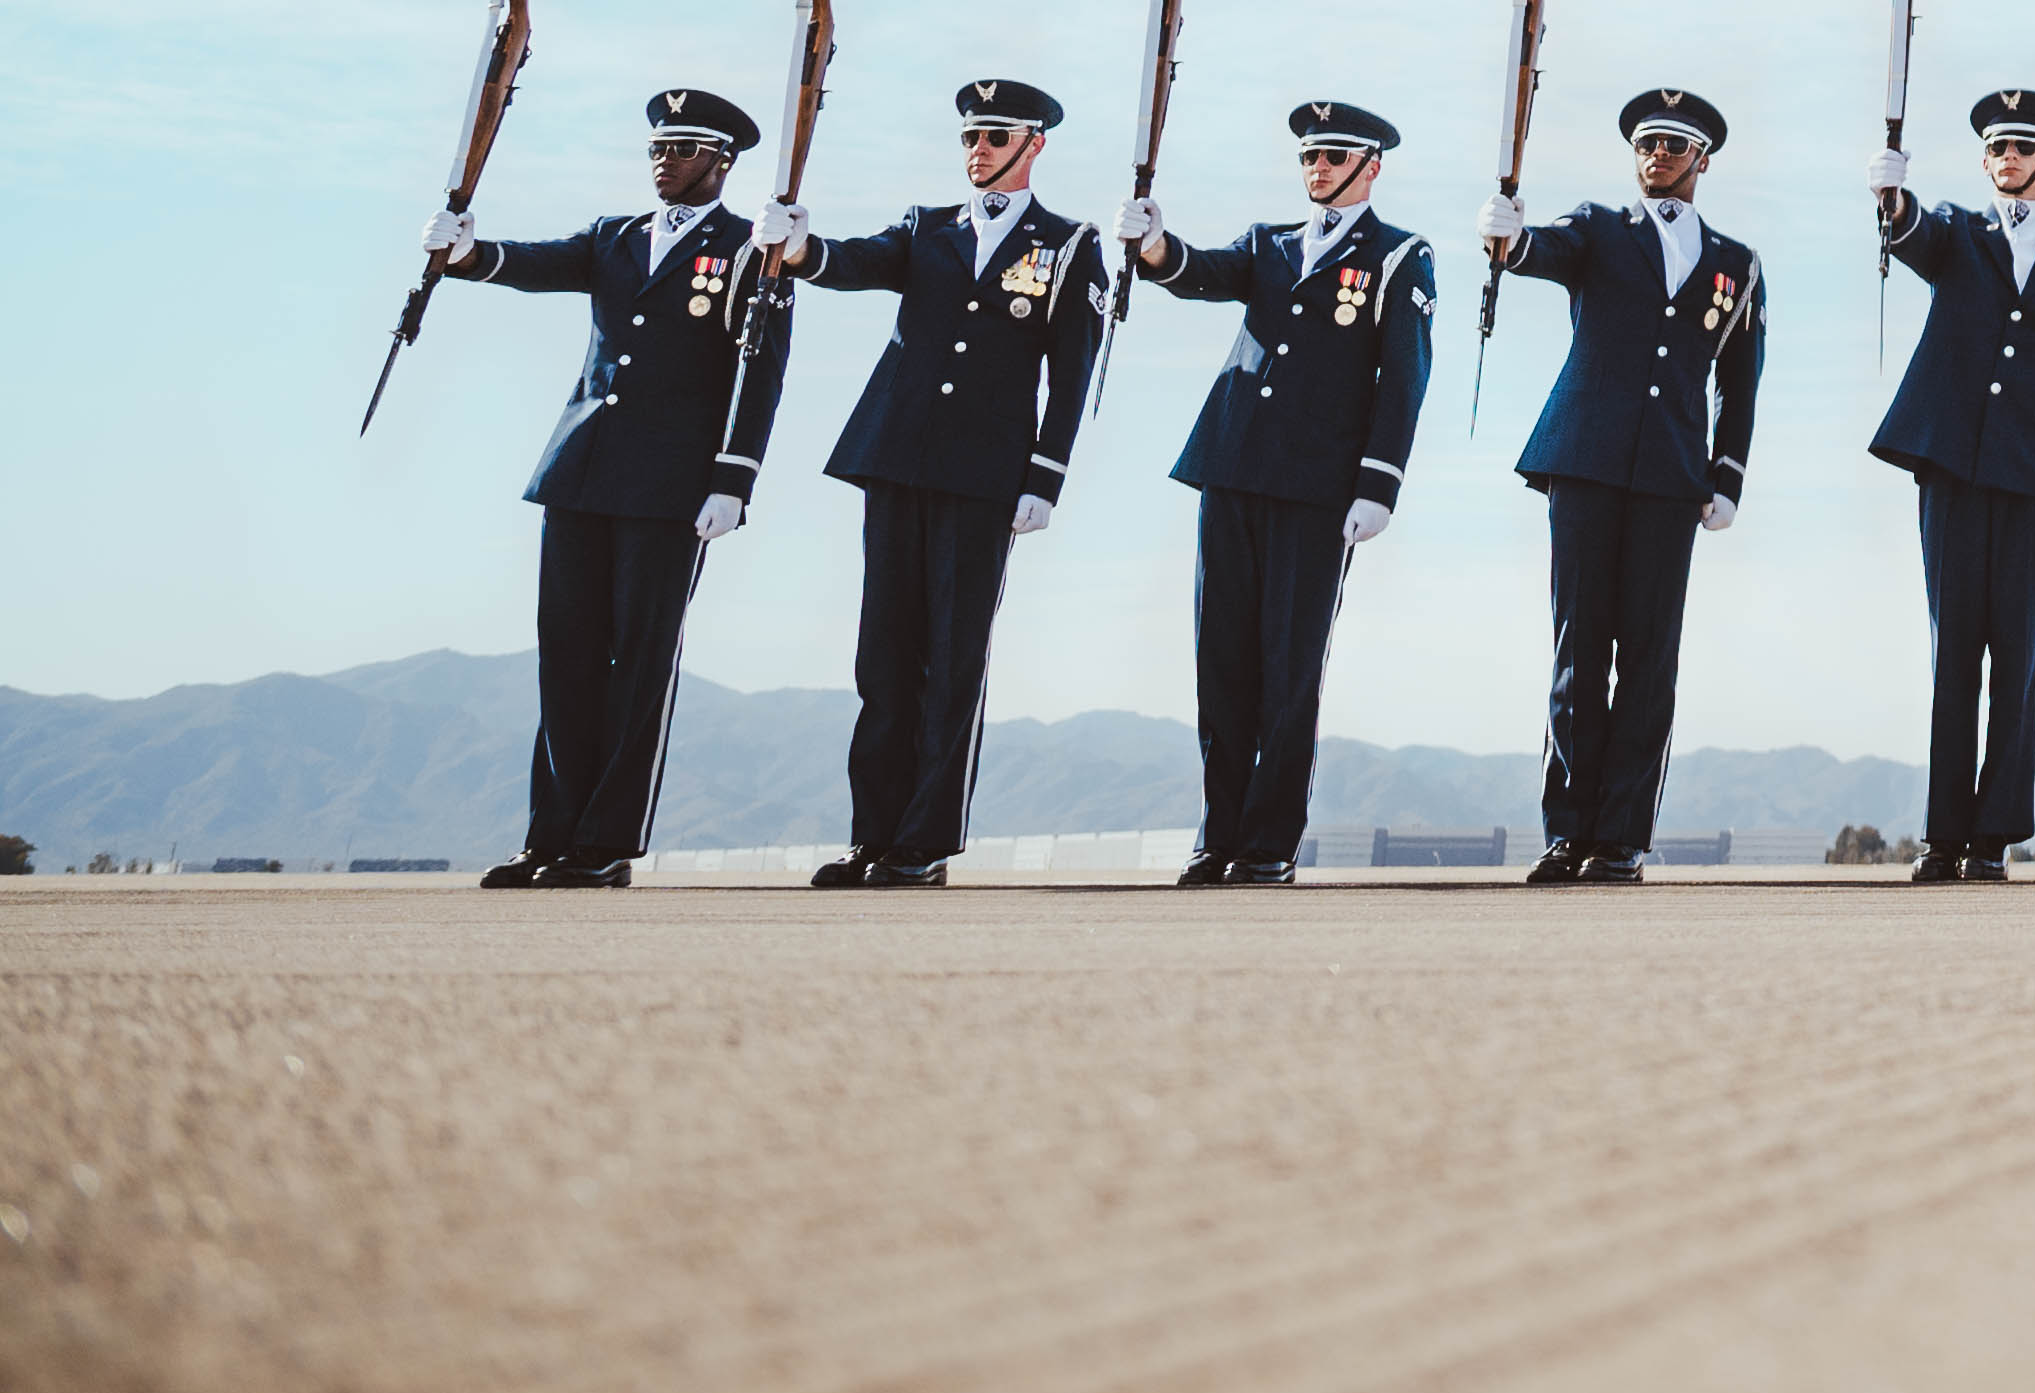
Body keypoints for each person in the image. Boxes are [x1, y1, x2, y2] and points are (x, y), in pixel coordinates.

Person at [426, 87, 790, 888]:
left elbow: (759, 373)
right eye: (658, 148)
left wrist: (736, 477)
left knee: (638, 665)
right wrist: (466, 253)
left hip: (672, 490)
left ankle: (606, 843)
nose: (665, 161)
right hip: (581, 472)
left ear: (721, 161)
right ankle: (549, 833)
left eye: (683, 150)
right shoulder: (613, 237)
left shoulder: (746, 249)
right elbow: (533, 263)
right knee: (569, 656)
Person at [783, 78, 1108, 888]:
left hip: (983, 475)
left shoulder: (1067, 245)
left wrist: (1048, 473)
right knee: (883, 659)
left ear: (1034, 145)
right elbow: (854, 261)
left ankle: (923, 841)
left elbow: (1073, 372)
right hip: (897, 458)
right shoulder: (924, 227)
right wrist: (799, 247)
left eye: (996, 138)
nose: (979, 151)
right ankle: (873, 833)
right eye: (971, 138)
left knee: (952, 659)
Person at [1122, 101, 1430, 884]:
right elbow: (1201, 276)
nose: (1317, 169)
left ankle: (1267, 842)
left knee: (1288, 666)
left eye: (1332, 156)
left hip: (1318, 488)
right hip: (1231, 466)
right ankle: (1218, 831)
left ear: (1371, 165)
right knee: (1220, 660)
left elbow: (1404, 379)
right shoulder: (1268, 243)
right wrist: (1155, 244)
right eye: (1309, 157)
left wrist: (1379, 483)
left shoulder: (1399, 256)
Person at [1480, 89, 1765, 883]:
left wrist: (1728, 474)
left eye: (1676, 146)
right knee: (1580, 648)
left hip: (1672, 475)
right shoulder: (1599, 228)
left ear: (1703, 159)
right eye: (1647, 144)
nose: (1659, 156)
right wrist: (1508, 239)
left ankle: (1622, 837)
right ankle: (1567, 829)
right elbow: (1542, 252)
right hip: (1586, 463)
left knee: (1648, 658)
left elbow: (1739, 382)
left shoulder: (1737, 263)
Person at [1869, 90, 2035, 882]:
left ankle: (1994, 834)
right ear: (1984, 160)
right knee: (1954, 655)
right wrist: (1892, 197)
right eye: (1997, 146)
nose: (2008, 157)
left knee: (2018, 654)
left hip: (2033, 473)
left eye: (2023, 145)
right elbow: (1909, 235)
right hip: (1952, 465)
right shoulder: (1954, 232)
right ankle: (1944, 833)